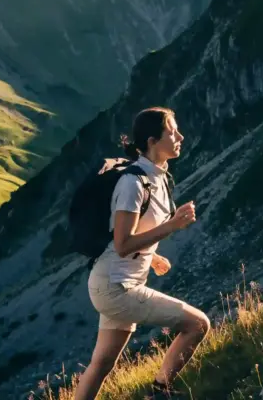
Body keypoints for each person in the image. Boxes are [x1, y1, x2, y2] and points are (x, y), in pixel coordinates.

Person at [73, 107, 210, 400]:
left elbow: (132, 238)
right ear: (152, 141)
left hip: (117, 282)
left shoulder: (157, 178)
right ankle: (161, 392)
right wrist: (173, 225)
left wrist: (153, 256)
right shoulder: (133, 183)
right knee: (198, 324)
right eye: (172, 131)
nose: (180, 136)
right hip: (115, 287)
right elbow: (122, 243)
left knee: (101, 365)